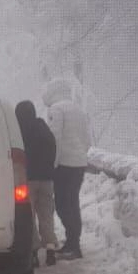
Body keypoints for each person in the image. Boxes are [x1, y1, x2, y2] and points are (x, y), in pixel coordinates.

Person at [42, 78, 92, 260]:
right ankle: (74, 243)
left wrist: (52, 164)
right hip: (79, 163)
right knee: (73, 202)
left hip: (64, 164)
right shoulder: (78, 109)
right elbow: (87, 139)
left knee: (63, 204)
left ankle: (73, 245)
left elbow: (55, 139)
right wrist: (82, 155)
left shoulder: (56, 110)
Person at [16, 100, 58, 266]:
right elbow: (53, 148)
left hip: (29, 181)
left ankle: (33, 253)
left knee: (29, 215)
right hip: (47, 180)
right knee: (46, 215)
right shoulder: (44, 129)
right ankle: (50, 249)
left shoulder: (20, 132)